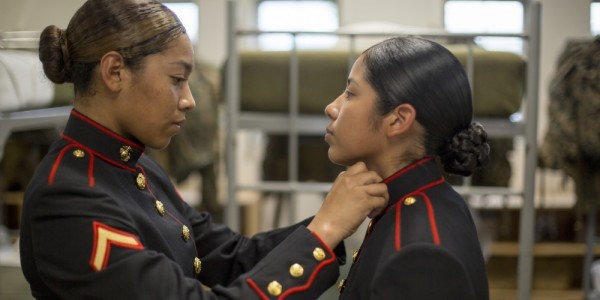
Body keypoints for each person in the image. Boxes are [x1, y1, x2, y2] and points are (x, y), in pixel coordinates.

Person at [19, 0, 389, 299]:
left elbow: (230, 255)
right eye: (176, 80)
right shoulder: (68, 197)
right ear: (115, 71)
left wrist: (332, 220)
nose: (190, 101)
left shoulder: (137, 168)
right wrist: (325, 230)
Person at [324, 36, 490, 299]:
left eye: (351, 93)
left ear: (398, 120)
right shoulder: (430, 200)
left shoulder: (421, 255)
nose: (332, 108)